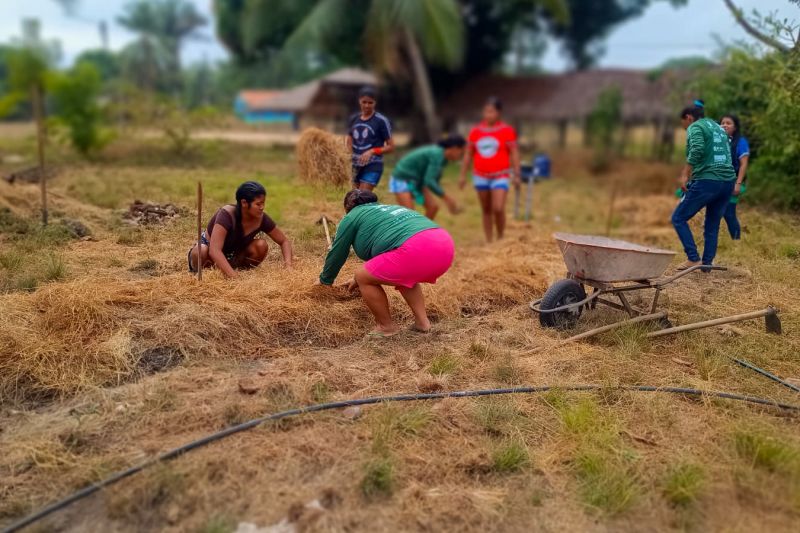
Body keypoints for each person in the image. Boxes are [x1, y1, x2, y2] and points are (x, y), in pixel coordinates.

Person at [317, 190, 455, 337]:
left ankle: (386, 326)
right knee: (404, 276)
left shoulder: (352, 216)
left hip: (416, 249)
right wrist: (357, 280)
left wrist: (325, 281)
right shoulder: (390, 209)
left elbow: (338, 252)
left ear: (348, 206)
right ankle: (423, 323)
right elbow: (389, 250)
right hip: (445, 247)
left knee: (362, 275)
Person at [671, 101, 736, 270]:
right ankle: (707, 264)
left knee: (678, 218)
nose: (684, 127)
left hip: (709, 181)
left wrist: (685, 173)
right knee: (712, 224)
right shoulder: (716, 126)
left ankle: (693, 258)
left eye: (683, 123)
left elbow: (698, 149)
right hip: (728, 181)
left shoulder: (695, 126)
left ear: (688, 117)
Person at [188, 181, 292, 278]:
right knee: (201, 251)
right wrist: (234, 278)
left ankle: (233, 269)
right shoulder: (227, 214)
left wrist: (288, 266)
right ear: (244, 203)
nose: (262, 207)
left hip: (234, 255)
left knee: (261, 245)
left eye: (263, 203)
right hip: (210, 254)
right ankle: (215, 271)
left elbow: (284, 241)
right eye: (258, 204)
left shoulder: (261, 218)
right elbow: (214, 251)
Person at [459, 97, 521, 242]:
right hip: (480, 175)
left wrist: (517, 174)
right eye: (486, 111)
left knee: (498, 208)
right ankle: (489, 241)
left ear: (498, 113)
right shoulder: (475, 131)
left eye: (491, 111)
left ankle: (500, 237)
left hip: (501, 175)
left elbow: (514, 153)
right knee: (486, 209)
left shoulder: (507, 131)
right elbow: (468, 153)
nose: (488, 115)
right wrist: (462, 175)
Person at [388, 134, 466, 220]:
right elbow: (429, 181)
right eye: (462, 152)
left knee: (433, 208)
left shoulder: (444, 158)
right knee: (409, 216)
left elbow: (432, 179)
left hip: (418, 181)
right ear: (454, 148)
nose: (462, 155)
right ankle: (409, 232)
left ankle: (423, 231)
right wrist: (447, 199)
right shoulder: (437, 154)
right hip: (402, 179)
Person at [346, 86, 394, 191]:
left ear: (375, 103)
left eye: (370, 103)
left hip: (373, 165)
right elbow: (349, 139)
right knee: (354, 198)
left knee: (362, 196)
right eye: (364, 102)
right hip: (355, 166)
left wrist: (372, 151)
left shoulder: (381, 121)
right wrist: (348, 154)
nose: (367, 105)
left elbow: (391, 147)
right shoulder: (354, 119)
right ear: (359, 101)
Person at [720, 114, 750, 240]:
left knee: (729, 213)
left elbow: (743, 164)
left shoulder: (740, 142)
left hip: (734, 182)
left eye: (728, 123)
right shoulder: (718, 140)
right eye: (723, 123)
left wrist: (738, 184)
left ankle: (736, 240)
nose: (725, 125)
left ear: (735, 127)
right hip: (719, 181)